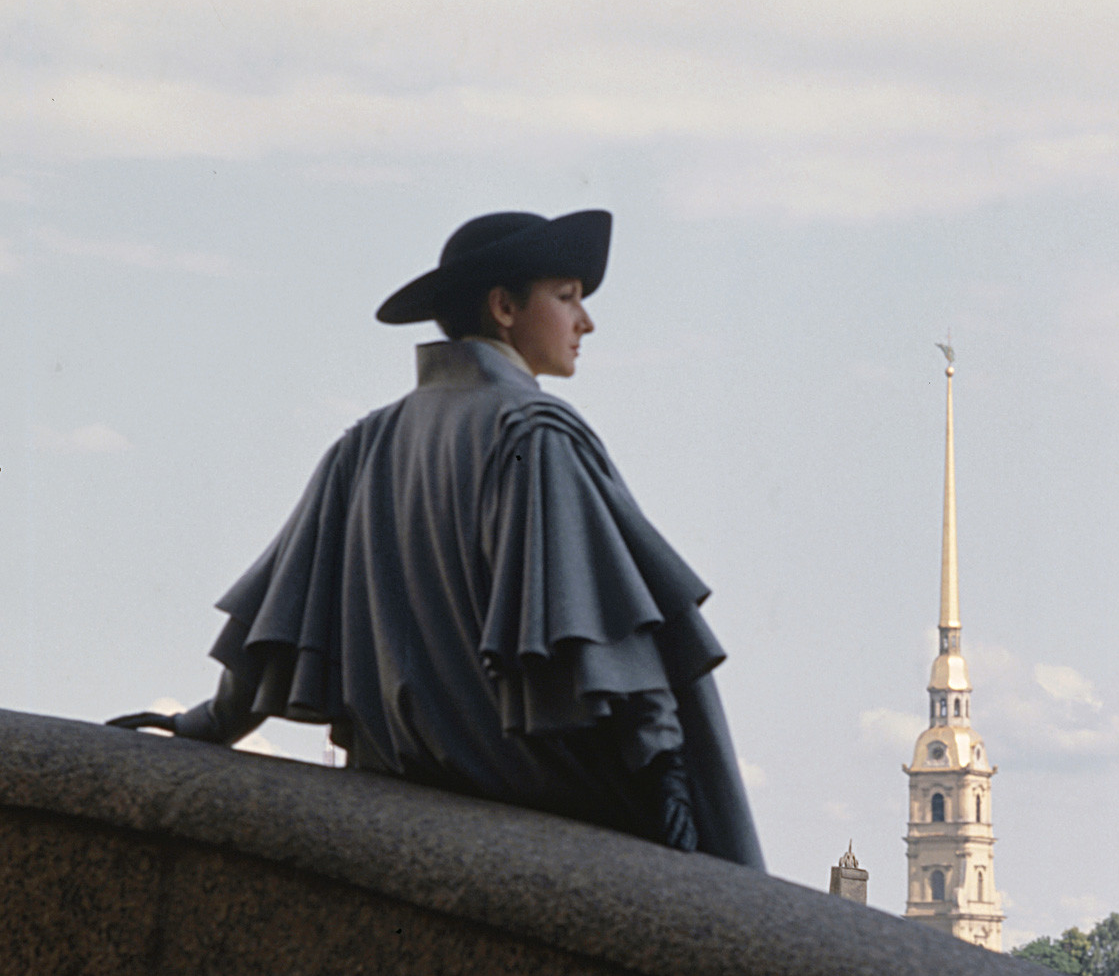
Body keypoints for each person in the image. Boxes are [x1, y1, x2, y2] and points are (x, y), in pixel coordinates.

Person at [109, 209, 763, 869]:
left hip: (409, 809)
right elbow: (620, 651)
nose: (584, 322)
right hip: (553, 817)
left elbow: (273, 637)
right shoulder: (535, 435)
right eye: (566, 298)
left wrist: (202, 727)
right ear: (504, 307)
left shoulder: (363, 445)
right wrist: (678, 809)